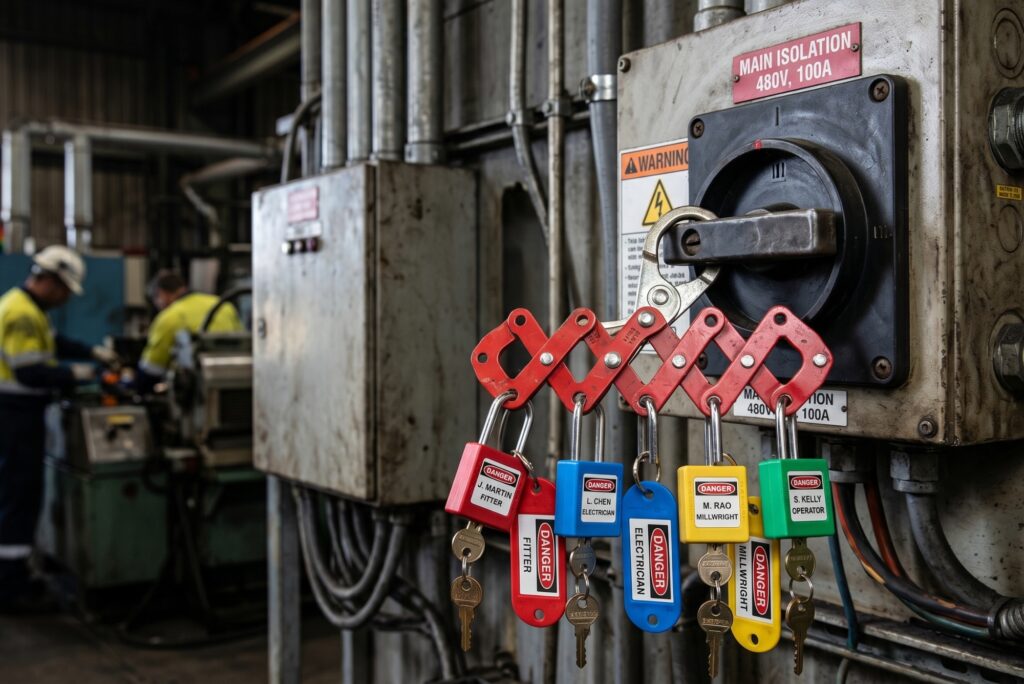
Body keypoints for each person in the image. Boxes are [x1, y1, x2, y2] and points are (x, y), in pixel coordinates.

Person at [0, 245, 118, 611]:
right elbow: (30, 371)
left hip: (19, 415)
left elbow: (53, 344)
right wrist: (75, 374)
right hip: (13, 416)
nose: (65, 299)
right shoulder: (20, 314)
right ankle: (10, 590)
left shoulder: (28, 308)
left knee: (18, 495)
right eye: (64, 290)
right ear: (49, 281)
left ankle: (14, 577)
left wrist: (92, 353)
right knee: (17, 497)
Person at [136, 270, 243, 393]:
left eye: (156, 299)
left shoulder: (170, 316)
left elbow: (152, 367)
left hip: (198, 391)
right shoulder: (223, 305)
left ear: (162, 294)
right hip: (237, 382)